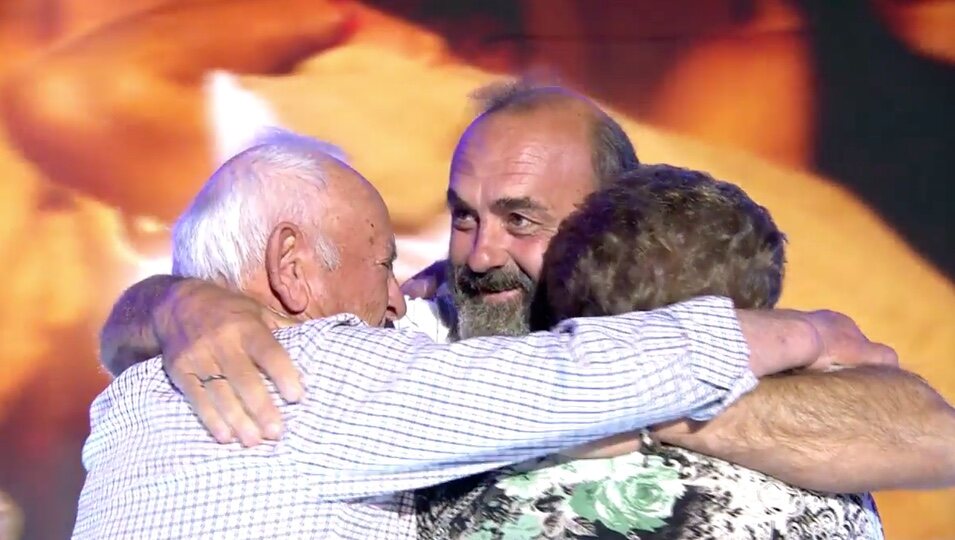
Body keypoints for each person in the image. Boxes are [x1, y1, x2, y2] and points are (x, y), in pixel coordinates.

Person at [99, 82, 954, 493]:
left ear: (607, 219)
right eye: (463, 215)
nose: (478, 253)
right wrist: (177, 304)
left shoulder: (712, 331)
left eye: (520, 218)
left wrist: (628, 401)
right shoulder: (415, 325)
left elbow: (932, 440)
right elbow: (148, 344)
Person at [78, 128, 847, 539]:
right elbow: (573, 377)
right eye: (382, 264)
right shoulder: (308, 373)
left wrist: (166, 303)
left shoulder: (132, 399)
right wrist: (807, 334)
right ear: (291, 269)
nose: (394, 299)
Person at [419, 164, 898, 539]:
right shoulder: (830, 488)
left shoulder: (459, 485)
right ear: (758, 312)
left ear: (566, 296)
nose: (482, 254)